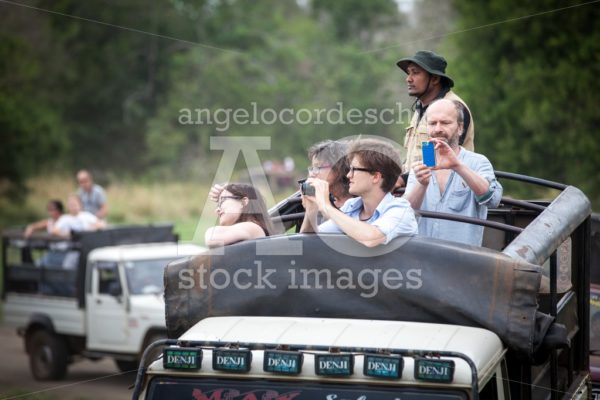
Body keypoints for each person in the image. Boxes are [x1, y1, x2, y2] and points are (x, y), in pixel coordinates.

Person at [404, 99, 502, 247]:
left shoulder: (477, 162)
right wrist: (421, 184)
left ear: (460, 128)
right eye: (432, 123)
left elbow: (492, 200)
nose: (438, 129)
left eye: (445, 123)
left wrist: (457, 166)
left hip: (462, 261)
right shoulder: (422, 163)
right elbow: (406, 213)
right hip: (423, 259)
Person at [300, 138, 418, 247]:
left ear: (376, 177)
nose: (348, 175)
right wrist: (312, 210)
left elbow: (371, 239)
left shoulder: (401, 210)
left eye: (354, 169)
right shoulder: (351, 207)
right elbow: (312, 242)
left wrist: (325, 206)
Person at [396, 50, 475, 185]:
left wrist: (402, 180)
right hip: (419, 189)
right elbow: (419, 157)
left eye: (415, 72)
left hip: (448, 192)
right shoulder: (421, 108)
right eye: (409, 73)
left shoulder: (453, 108)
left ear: (435, 79)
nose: (408, 78)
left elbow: (442, 159)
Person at [205, 183, 274, 248]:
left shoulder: (253, 228)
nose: (217, 210)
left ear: (243, 202)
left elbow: (212, 236)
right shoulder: (246, 230)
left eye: (223, 201)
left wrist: (229, 187)